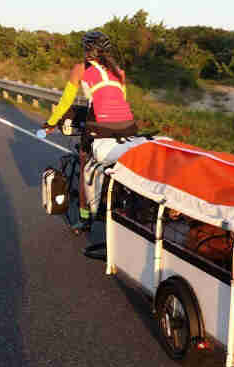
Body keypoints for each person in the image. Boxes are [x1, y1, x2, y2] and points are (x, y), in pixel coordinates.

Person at [43, 31, 137, 232]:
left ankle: (85, 219)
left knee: (86, 164)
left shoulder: (80, 69)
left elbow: (66, 101)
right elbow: (120, 101)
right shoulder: (119, 72)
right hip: (128, 124)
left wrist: (50, 123)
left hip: (100, 125)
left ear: (87, 50)